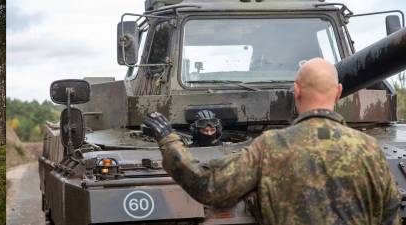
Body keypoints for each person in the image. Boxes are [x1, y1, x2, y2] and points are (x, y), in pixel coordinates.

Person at [143, 58, 400, 225]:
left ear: (295, 92)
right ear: (339, 92)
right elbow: (390, 215)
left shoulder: (270, 147)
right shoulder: (370, 150)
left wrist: (169, 140)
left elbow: (208, 188)